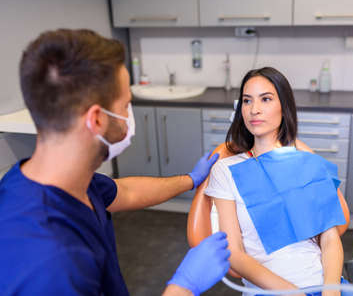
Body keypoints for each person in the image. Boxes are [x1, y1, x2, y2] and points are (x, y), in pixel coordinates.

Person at [0, 29, 230, 296]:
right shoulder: (51, 263)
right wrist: (183, 287)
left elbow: (126, 192)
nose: (128, 117)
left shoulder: (55, 180)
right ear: (97, 119)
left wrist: (190, 179)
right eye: (125, 106)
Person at [204, 67, 353, 296]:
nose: (254, 109)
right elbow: (234, 253)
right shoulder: (226, 170)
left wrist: (331, 292)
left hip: (325, 285)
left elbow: (330, 240)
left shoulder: (308, 163)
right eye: (246, 101)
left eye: (266, 99)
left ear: (284, 107)